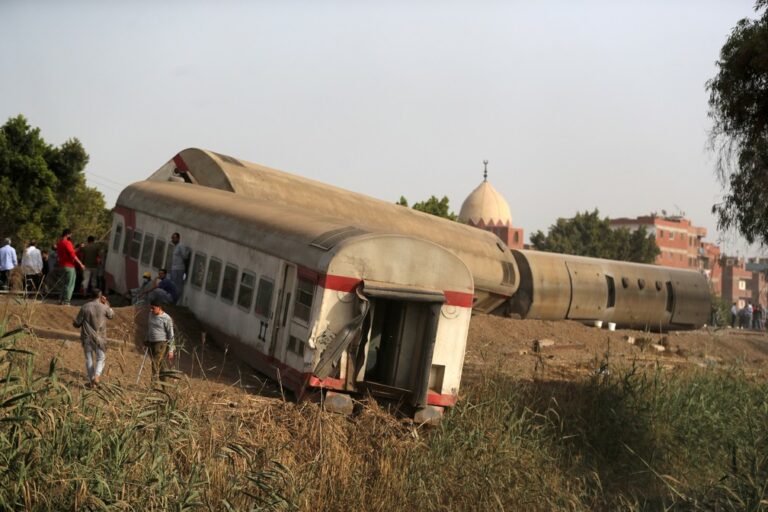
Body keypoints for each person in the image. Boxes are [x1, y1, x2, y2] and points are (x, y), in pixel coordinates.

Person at [73, 289, 114, 387]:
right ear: (100, 296)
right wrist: (106, 303)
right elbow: (111, 315)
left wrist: (74, 322)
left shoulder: (85, 307)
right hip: (100, 338)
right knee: (101, 358)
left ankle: (92, 382)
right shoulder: (104, 307)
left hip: (87, 337)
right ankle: (97, 376)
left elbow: (77, 323)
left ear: (90, 296)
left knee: (89, 359)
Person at [146, 300, 175, 382]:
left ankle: (153, 385)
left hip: (161, 343)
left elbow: (171, 334)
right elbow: (150, 328)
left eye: (153, 308)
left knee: (155, 363)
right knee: (161, 364)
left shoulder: (166, 318)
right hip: (151, 342)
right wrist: (146, 339)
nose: (151, 310)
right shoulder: (151, 314)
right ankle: (165, 385)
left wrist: (171, 350)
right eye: (150, 308)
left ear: (159, 308)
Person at [56, 229, 85, 305]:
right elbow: (73, 255)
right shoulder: (67, 242)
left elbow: (71, 251)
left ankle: (60, 300)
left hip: (62, 265)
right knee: (70, 284)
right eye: (70, 234)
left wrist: (79, 248)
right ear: (67, 234)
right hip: (69, 266)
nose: (71, 236)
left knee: (64, 284)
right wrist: (81, 264)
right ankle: (66, 301)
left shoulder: (59, 243)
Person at [169, 233, 190, 303]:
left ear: (178, 238)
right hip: (174, 268)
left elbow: (185, 256)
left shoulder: (181, 246)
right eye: (172, 238)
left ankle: (176, 300)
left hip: (179, 268)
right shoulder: (175, 246)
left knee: (177, 285)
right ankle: (172, 299)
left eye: (174, 238)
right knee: (173, 284)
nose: (172, 239)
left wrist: (187, 252)